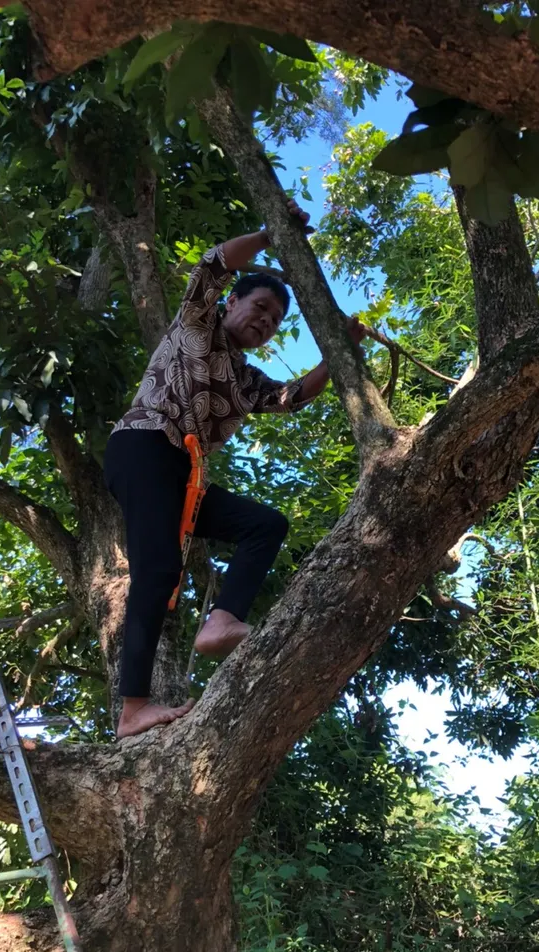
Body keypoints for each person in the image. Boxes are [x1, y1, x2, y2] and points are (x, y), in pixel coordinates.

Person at [104, 200, 367, 738]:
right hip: (145, 444)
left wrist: (340, 351)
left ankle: (222, 620)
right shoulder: (197, 323)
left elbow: (291, 397)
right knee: (156, 572)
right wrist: (273, 234)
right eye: (261, 307)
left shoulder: (247, 380)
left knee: (264, 524)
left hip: (183, 474)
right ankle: (132, 709)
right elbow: (212, 264)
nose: (266, 322)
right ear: (230, 303)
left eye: (274, 320)